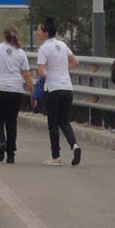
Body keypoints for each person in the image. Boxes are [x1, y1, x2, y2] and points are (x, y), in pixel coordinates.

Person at [34, 17, 81, 166]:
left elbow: (41, 72)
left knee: (53, 123)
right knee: (65, 121)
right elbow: (75, 62)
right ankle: (75, 145)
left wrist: (49, 73)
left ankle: (56, 156)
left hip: (53, 89)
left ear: (45, 32)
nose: (37, 32)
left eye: (39, 30)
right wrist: (62, 70)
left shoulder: (44, 48)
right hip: (67, 87)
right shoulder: (62, 45)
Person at [0, 27, 33, 164]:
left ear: (4, 37)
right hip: (15, 90)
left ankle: (1, 142)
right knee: (11, 122)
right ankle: (11, 154)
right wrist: (33, 93)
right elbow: (26, 75)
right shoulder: (21, 53)